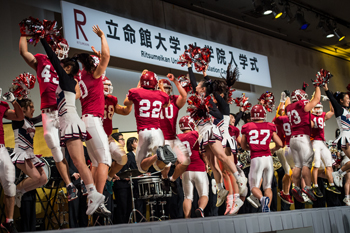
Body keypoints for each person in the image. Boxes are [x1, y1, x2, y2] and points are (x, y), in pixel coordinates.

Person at [40, 30, 105, 216]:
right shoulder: (69, 81)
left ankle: (93, 193)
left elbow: (52, 58)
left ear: (67, 68)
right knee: (78, 161)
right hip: (67, 119)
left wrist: (43, 38)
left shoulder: (67, 79)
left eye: (62, 66)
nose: (58, 67)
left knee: (79, 161)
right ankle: (93, 193)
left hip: (69, 120)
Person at [19, 33, 76, 201]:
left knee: (69, 151)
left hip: (64, 111)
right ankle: (69, 185)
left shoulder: (69, 68)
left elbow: (76, 92)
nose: (60, 51)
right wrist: (24, 33)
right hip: (48, 112)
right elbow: (24, 52)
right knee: (53, 145)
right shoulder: (43, 60)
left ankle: (84, 185)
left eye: (62, 48)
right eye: (57, 47)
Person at [187, 62, 247, 208]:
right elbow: (194, 83)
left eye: (199, 87)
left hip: (217, 134)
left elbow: (209, 87)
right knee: (213, 164)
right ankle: (221, 190)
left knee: (223, 161)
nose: (195, 88)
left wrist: (206, 75)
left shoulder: (215, 103)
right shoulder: (199, 98)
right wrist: (189, 67)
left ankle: (239, 180)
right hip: (205, 134)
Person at [76, 25, 111, 215]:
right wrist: (103, 37)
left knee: (96, 163)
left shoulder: (81, 76)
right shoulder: (94, 74)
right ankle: (96, 199)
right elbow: (105, 58)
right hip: (93, 120)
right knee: (105, 159)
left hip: (85, 120)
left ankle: (93, 197)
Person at [123, 70, 175, 174]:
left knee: (141, 167)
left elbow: (126, 102)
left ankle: (157, 155)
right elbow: (167, 104)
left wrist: (139, 83)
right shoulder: (161, 95)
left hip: (144, 132)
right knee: (159, 167)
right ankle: (160, 155)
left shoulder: (135, 91)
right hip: (157, 132)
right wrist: (161, 87)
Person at [241, 104, 283, 212]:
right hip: (268, 158)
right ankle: (267, 209)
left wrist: (251, 148)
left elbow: (242, 145)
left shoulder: (247, 127)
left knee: (254, 187)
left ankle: (262, 199)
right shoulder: (269, 126)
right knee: (267, 187)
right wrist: (273, 149)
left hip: (256, 158)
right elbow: (280, 143)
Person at [285, 85, 321, 203]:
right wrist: (317, 86)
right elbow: (316, 99)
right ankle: (308, 188)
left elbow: (287, 105)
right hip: (303, 138)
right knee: (306, 164)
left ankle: (296, 187)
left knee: (298, 165)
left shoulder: (289, 107)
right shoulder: (302, 105)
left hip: (293, 139)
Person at [11, 99, 47, 208]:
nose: (33, 109)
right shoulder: (18, 120)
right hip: (21, 153)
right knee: (36, 177)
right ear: (22, 109)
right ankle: (14, 191)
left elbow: (40, 117)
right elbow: (18, 111)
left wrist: (51, 108)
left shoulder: (30, 121)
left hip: (29, 154)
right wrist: (15, 100)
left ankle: (20, 192)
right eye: (30, 107)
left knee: (43, 179)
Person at [159, 75, 190, 195]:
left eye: (167, 88)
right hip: (161, 137)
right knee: (167, 164)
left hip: (173, 136)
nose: (165, 90)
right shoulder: (156, 100)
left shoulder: (174, 99)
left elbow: (184, 95)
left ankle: (172, 180)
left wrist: (175, 81)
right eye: (163, 88)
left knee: (185, 161)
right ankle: (164, 178)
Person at [101, 76, 131, 194]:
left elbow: (124, 111)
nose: (108, 88)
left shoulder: (111, 99)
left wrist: (130, 102)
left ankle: (109, 178)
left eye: (109, 85)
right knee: (102, 162)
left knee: (122, 158)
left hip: (107, 137)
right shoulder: (93, 96)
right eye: (105, 85)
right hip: (95, 136)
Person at [0, 90, 24, 233]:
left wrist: (14, 101)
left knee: (10, 181)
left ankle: (9, 221)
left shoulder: (1, 105)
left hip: (1, 148)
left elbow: (19, 117)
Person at [178, 116, 209, 218]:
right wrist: (207, 163)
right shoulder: (195, 134)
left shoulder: (177, 137)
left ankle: (187, 218)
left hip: (185, 170)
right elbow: (202, 151)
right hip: (199, 167)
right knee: (204, 194)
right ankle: (200, 209)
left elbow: (177, 156)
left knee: (187, 197)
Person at [311, 100, 340, 197]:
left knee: (329, 164)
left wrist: (330, 100)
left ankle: (331, 184)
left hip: (322, 142)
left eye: (319, 107)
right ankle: (315, 185)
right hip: (313, 141)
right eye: (316, 107)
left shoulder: (322, 115)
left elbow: (332, 111)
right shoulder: (309, 116)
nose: (318, 110)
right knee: (316, 164)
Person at [323, 85, 350, 187]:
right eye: (346, 98)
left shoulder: (346, 110)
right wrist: (326, 90)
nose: (348, 100)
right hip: (345, 138)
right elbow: (334, 101)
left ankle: (339, 174)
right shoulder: (339, 110)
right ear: (341, 101)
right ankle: (338, 174)